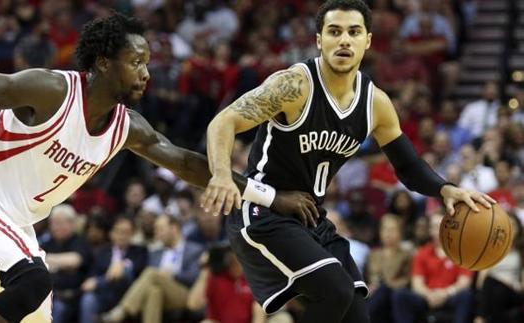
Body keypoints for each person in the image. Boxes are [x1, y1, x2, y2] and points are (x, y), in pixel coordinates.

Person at [0, 13, 317, 323]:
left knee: (30, 308)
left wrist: (270, 196)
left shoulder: (129, 127)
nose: (146, 74)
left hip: (14, 222)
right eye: (136, 62)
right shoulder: (52, 90)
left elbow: (186, 163)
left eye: (147, 63)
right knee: (30, 283)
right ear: (104, 63)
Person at [201, 1, 495, 322]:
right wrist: (220, 174)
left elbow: (408, 167)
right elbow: (223, 122)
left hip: (310, 217)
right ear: (318, 40)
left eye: (354, 32)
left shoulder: (376, 104)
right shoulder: (294, 86)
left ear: (367, 40)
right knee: (336, 289)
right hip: (262, 209)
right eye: (334, 31)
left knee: (356, 312)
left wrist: (445, 189)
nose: (344, 40)